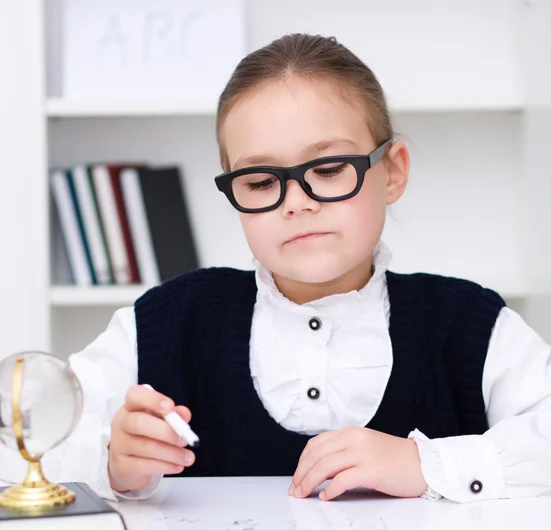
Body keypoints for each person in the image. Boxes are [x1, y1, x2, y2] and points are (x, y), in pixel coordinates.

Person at [5, 33, 550, 504]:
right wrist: (112, 463)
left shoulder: (469, 323)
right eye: (262, 182)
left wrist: (425, 465)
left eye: (330, 168)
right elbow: (20, 439)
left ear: (392, 172)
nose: (296, 203)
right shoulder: (165, 322)